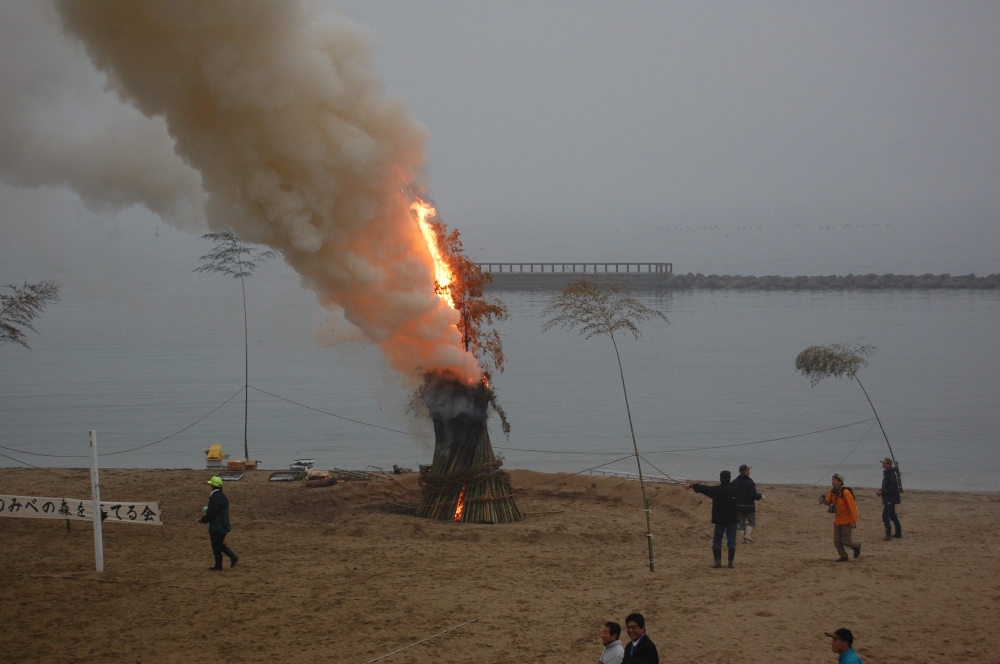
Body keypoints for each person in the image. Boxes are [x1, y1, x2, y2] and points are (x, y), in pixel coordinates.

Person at [684, 470, 739, 568]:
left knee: (717, 541)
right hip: (732, 519)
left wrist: (692, 486)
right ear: (730, 479)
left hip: (720, 520)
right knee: (732, 541)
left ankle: (717, 562)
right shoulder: (735, 490)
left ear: (720, 479)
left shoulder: (716, 491)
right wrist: (724, 486)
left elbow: (704, 488)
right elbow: (731, 489)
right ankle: (730, 563)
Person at [198, 476, 238, 570]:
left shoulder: (214, 497)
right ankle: (222, 563)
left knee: (217, 545)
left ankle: (226, 561)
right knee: (218, 544)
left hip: (217, 526)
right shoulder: (223, 496)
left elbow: (213, 513)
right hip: (224, 524)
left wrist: (203, 520)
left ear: (213, 486)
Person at [821, 473, 860, 562]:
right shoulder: (832, 491)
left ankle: (856, 546)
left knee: (846, 541)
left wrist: (853, 520)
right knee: (836, 541)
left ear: (840, 482)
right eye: (832, 479)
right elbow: (828, 501)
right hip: (837, 520)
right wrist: (823, 500)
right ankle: (844, 556)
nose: (832, 481)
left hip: (846, 521)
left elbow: (852, 507)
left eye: (835, 480)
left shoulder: (845, 492)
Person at [733, 464, 763, 542]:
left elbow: (730, 490)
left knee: (741, 524)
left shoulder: (735, 481)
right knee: (752, 521)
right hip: (749, 506)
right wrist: (760, 496)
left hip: (738, 506)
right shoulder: (750, 482)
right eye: (748, 470)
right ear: (746, 472)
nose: (749, 472)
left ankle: (743, 539)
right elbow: (753, 495)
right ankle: (747, 535)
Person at [876, 457, 902, 540]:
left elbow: (892, 488)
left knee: (885, 516)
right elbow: (887, 486)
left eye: (885, 463)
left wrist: (882, 492)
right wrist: (881, 490)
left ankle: (888, 534)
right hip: (888, 498)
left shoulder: (891, 474)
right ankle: (898, 533)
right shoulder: (888, 473)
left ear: (889, 465)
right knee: (892, 515)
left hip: (891, 498)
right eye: (883, 463)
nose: (883, 465)